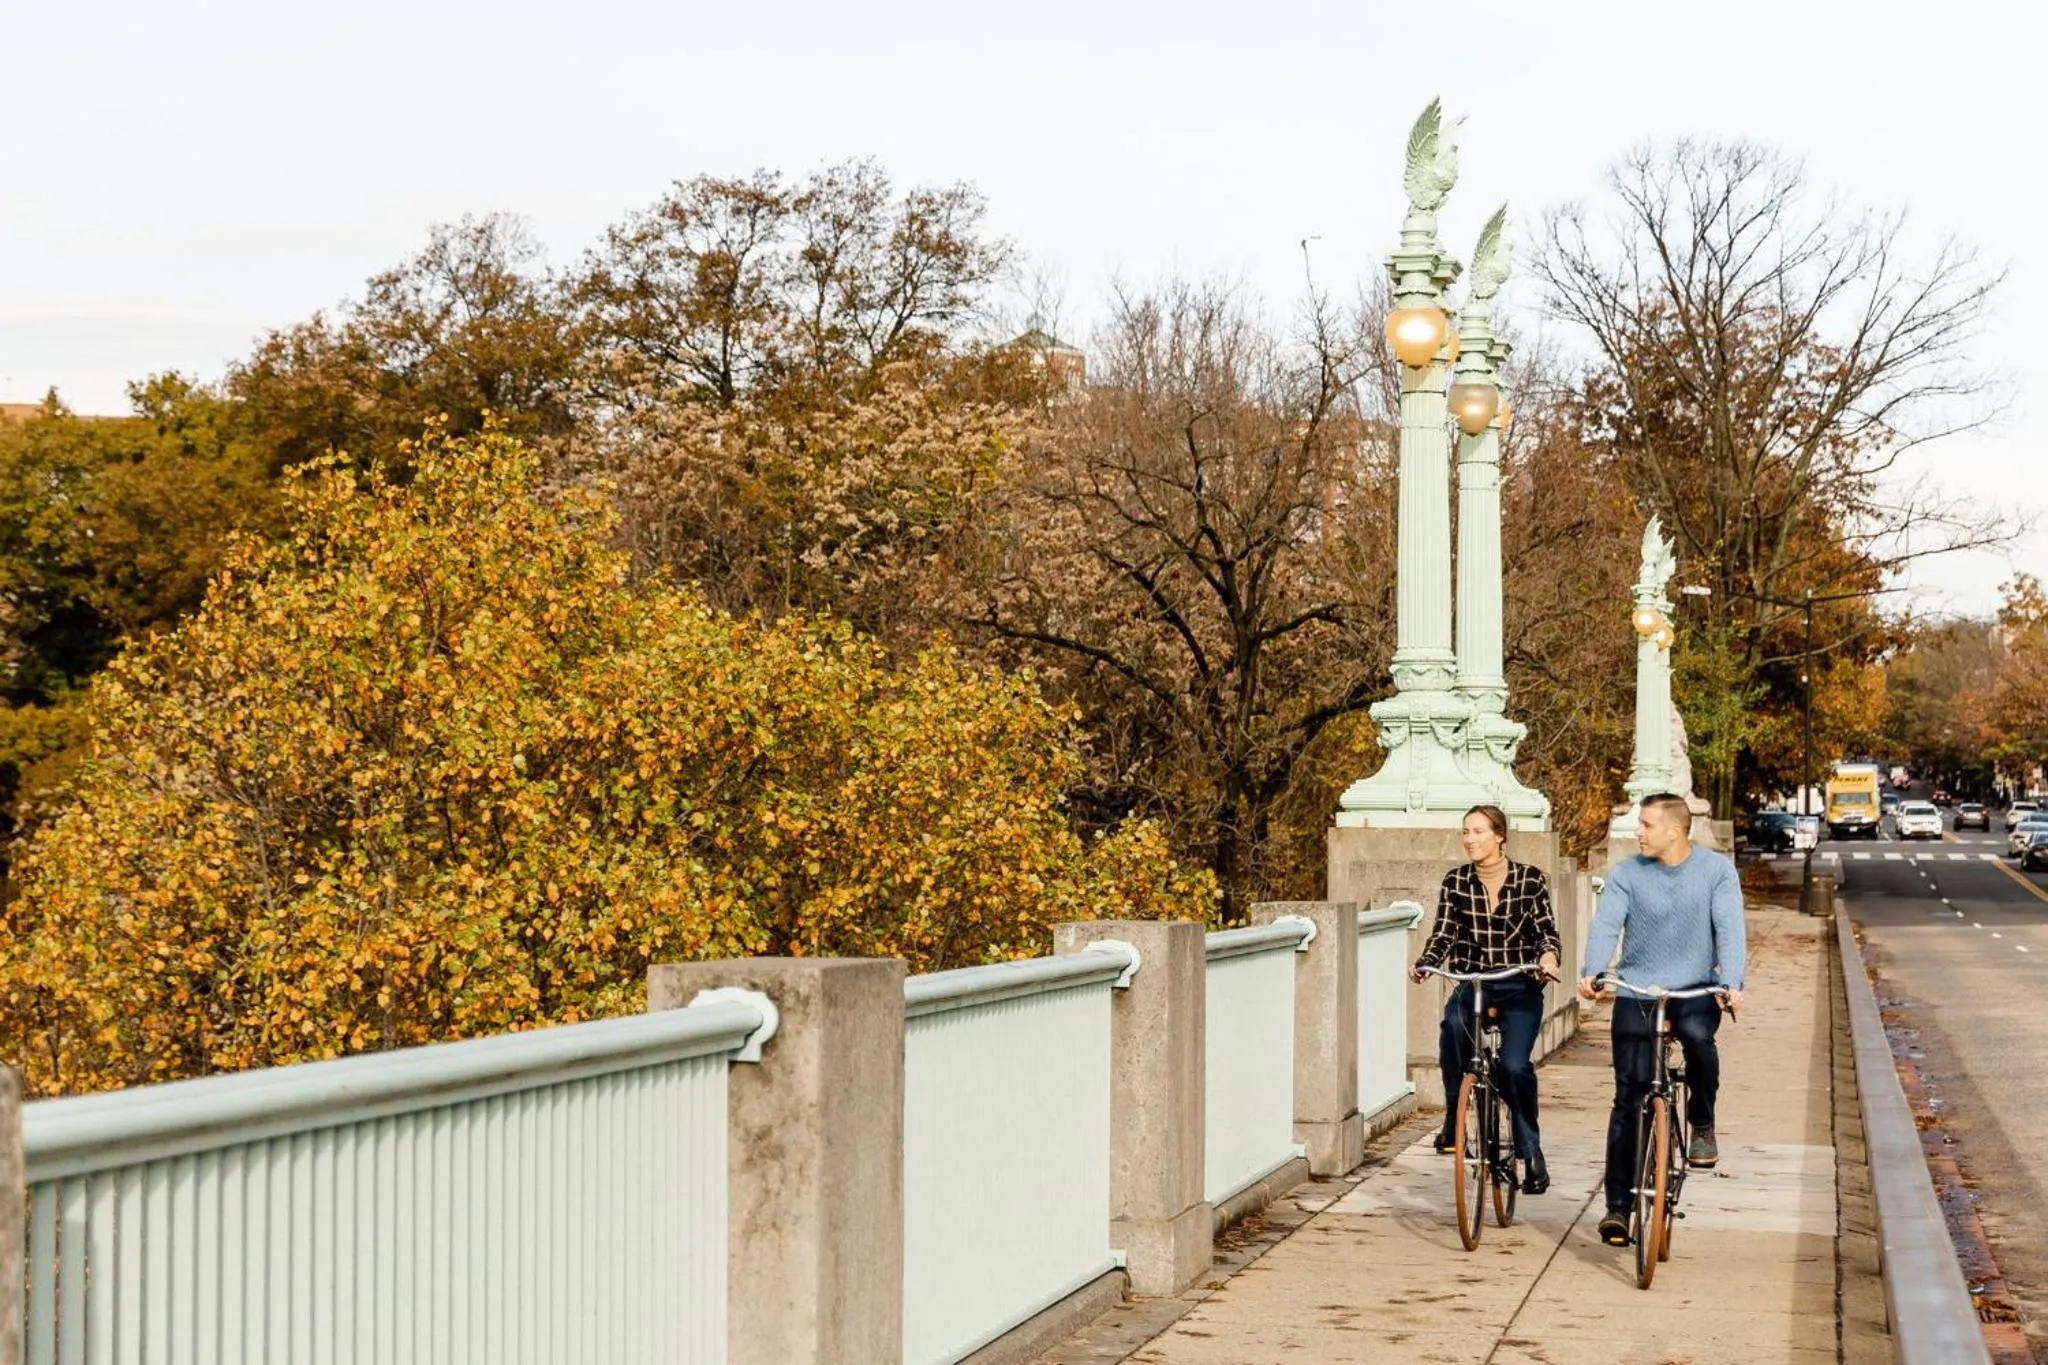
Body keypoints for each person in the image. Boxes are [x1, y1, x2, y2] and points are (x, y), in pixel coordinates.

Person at [1578, 791, 1747, 1248]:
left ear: (1675, 830)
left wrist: (1731, 982)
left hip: (1694, 988)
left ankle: (1702, 1121)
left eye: (1647, 824)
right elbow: (1607, 925)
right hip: (1638, 988)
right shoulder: (1626, 874)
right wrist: (1592, 971)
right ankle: (1617, 1207)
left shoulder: (1715, 872)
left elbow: (1730, 929)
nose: (1639, 832)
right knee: (1627, 1097)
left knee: (1696, 1036)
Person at [1411, 804, 1562, 1195]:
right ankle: (1453, 1118)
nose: (1470, 840)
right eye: (1465, 832)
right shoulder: (1456, 882)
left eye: (1478, 832)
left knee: (1514, 1067)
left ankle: (1531, 1150)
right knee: (1451, 1032)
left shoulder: (1530, 880)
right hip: (1473, 983)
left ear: (1499, 836)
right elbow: (1442, 934)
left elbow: (1546, 931)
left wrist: (1547, 958)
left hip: (1519, 986)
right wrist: (1426, 964)